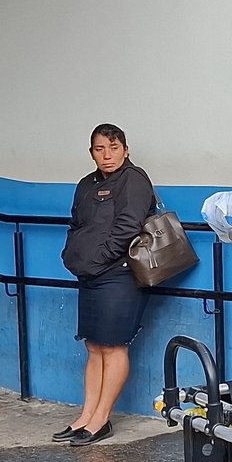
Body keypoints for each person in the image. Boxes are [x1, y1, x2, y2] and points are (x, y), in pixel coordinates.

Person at [54, 124, 156, 444]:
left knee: (113, 346)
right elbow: (76, 224)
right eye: (100, 149)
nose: (107, 155)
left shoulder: (134, 179)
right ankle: (85, 416)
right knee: (93, 345)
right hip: (89, 275)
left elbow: (129, 225)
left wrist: (101, 257)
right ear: (91, 153)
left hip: (119, 274)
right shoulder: (86, 184)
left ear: (125, 149)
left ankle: (102, 419)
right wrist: (73, 254)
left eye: (113, 148)